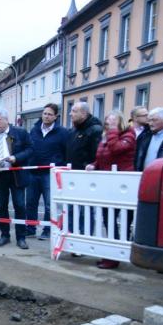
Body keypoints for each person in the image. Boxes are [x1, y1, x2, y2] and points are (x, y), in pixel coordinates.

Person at [86, 110, 136, 269]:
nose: (108, 125)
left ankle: (118, 255)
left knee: (125, 221)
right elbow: (103, 157)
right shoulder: (107, 137)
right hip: (108, 184)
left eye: (112, 122)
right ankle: (111, 254)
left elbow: (116, 150)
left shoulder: (129, 135)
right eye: (107, 123)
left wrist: (112, 132)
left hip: (123, 184)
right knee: (109, 220)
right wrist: (94, 165)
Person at [0, 108, 34, 249]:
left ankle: (21, 237)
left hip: (16, 175)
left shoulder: (20, 133)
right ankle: (5, 235)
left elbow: (30, 150)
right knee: (2, 207)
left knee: (20, 206)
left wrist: (16, 158)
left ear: (6, 120)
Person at [27, 103, 69, 240]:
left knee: (49, 204)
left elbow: (66, 152)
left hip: (50, 174)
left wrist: (59, 166)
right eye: (45, 113)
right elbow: (29, 148)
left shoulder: (62, 133)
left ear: (56, 116)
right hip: (33, 172)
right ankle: (30, 228)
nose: (46, 116)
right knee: (31, 202)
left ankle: (47, 230)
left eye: (50, 114)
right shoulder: (34, 130)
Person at [65, 102, 102, 241]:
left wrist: (89, 166)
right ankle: (72, 238)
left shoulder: (95, 130)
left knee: (85, 211)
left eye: (74, 111)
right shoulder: (75, 130)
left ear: (84, 114)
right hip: (73, 176)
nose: (70, 114)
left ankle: (85, 239)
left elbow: (96, 155)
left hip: (86, 177)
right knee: (71, 209)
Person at [134, 107, 163, 171]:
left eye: (154, 120)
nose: (150, 123)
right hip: (144, 176)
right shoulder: (144, 136)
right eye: (149, 120)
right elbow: (137, 159)